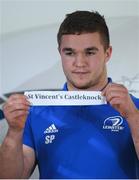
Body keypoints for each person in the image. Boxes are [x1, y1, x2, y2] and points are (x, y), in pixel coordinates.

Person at [0, 10, 139, 179]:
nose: (79, 63)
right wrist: (13, 133)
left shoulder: (134, 107)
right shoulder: (37, 112)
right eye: (70, 53)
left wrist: (133, 117)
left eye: (90, 52)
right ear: (60, 53)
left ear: (107, 53)